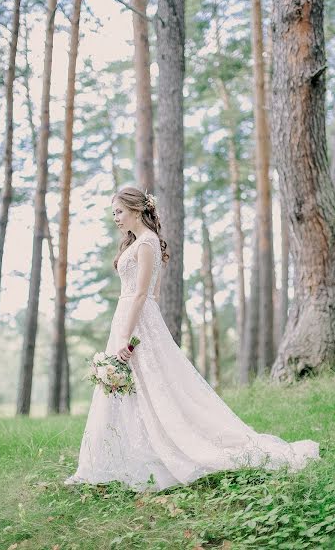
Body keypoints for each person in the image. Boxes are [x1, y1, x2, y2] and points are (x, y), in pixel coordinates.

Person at [63, 187, 320, 492]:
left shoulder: (146, 244)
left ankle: (168, 450)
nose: (115, 217)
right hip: (130, 316)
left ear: (135, 209)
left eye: (119, 211)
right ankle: (112, 459)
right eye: (114, 212)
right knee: (130, 390)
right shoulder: (137, 243)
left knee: (152, 387)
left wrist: (126, 337)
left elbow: (144, 294)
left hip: (135, 322)